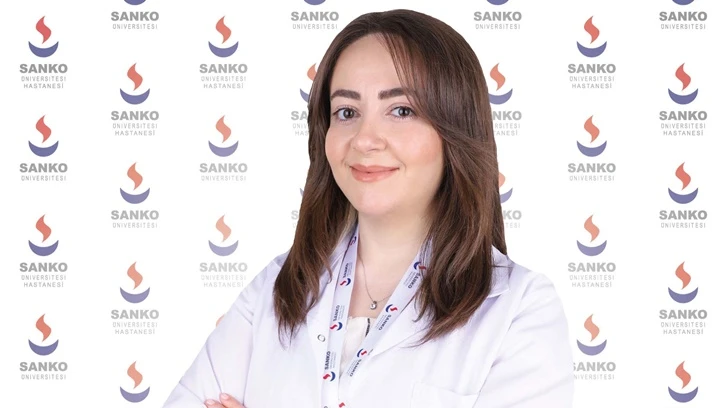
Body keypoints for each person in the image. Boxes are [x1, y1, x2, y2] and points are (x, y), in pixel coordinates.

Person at [163, 8, 573, 408]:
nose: (364, 139)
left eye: (401, 110)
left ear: (456, 130)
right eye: (347, 112)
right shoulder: (277, 288)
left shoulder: (519, 310)